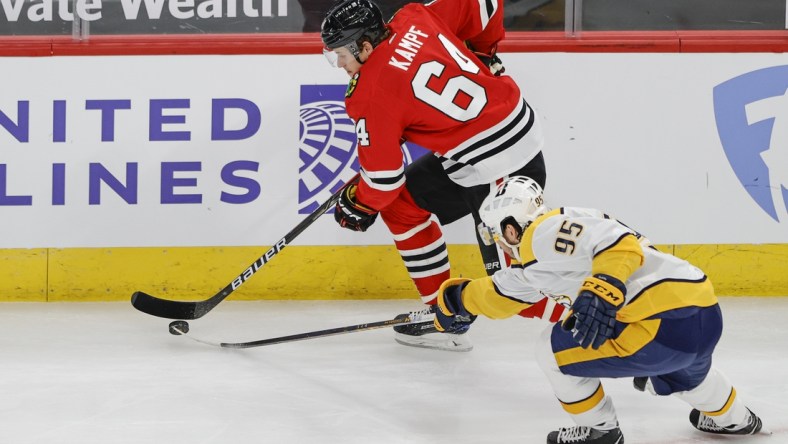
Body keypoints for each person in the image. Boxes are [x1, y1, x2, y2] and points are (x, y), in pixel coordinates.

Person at [433, 176, 765, 443]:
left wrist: (601, 286)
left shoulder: (541, 233)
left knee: (551, 350)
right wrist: (456, 301)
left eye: (499, 236)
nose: (502, 245)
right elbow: (502, 293)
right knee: (686, 371)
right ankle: (734, 419)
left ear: (510, 228)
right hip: (701, 309)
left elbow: (619, 243)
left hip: (658, 324)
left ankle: (598, 430)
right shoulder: (545, 258)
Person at [321, 0, 552, 352]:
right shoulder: (414, 16)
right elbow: (483, 4)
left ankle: (618, 320)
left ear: (365, 46)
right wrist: (485, 51)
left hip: (500, 169)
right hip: (499, 138)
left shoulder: (369, 93)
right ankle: (445, 315)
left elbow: (382, 181)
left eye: (341, 54)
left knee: (515, 289)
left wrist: (358, 204)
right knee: (401, 208)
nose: (339, 63)